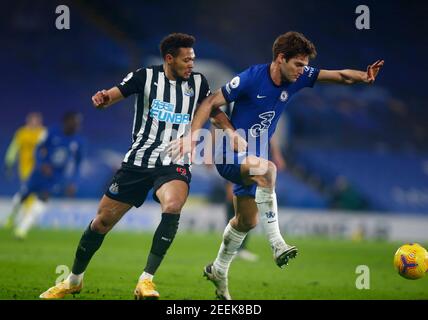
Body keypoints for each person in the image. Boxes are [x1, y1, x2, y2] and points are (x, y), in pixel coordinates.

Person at [173, 31, 384, 299]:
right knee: (268, 170)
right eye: (298, 64)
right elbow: (211, 102)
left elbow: (339, 76)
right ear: (280, 59)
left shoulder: (299, 77)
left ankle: (218, 269)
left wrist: (364, 77)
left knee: (246, 222)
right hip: (229, 154)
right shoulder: (251, 77)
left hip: (254, 157)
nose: (302, 71)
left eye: (305, 65)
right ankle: (277, 243)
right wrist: (194, 136)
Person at [39, 33, 239, 300]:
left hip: (174, 160)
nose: (192, 64)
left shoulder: (198, 82)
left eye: (193, 59)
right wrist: (102, 99)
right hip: (138, 161)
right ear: (169, 59)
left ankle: (146, 281)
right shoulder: (145, 77)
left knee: (173, 205)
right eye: (186, 59)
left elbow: (212, 109)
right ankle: (73, 280)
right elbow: (112, 95)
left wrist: (229, 130)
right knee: (101, 222)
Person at [5, 112, 83, 239]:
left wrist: (74, 182)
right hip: (39, 173)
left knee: (43, 199)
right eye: (75, 122)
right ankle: (12, 216)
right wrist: (41, 163)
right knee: (23, 196)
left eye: (79, 123)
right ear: (67, 122)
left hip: (55, 177)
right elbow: (38, 148)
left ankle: (22, 229)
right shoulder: (51, 132)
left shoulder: (78, 141)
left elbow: (78, 164)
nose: (77, 126)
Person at [3, 112, 46, 228]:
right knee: (28, 192)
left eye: (37, 121)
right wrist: (9, 163)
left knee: (32, 193)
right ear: (28, 121)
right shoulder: (22, 133)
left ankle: (20, 219)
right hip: (25, 169)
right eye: (32, 120)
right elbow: (14, 148)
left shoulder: (43, 133)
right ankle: (21, 219)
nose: (35, 123)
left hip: (40, 168)